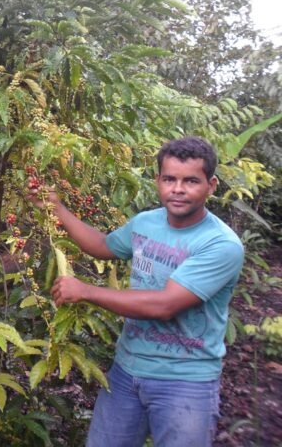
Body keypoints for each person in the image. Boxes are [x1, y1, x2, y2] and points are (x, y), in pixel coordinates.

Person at [32, 136, 244, 447]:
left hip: (185, 382)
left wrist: (86, 290)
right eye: (169, 179)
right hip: (125, 373)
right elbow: (103, 246)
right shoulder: (146, 222)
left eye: (191, 181)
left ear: (211, 185)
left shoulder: (221, 245)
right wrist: (56, 208)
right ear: (158, 180)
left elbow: (166, 305)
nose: (178, 188)